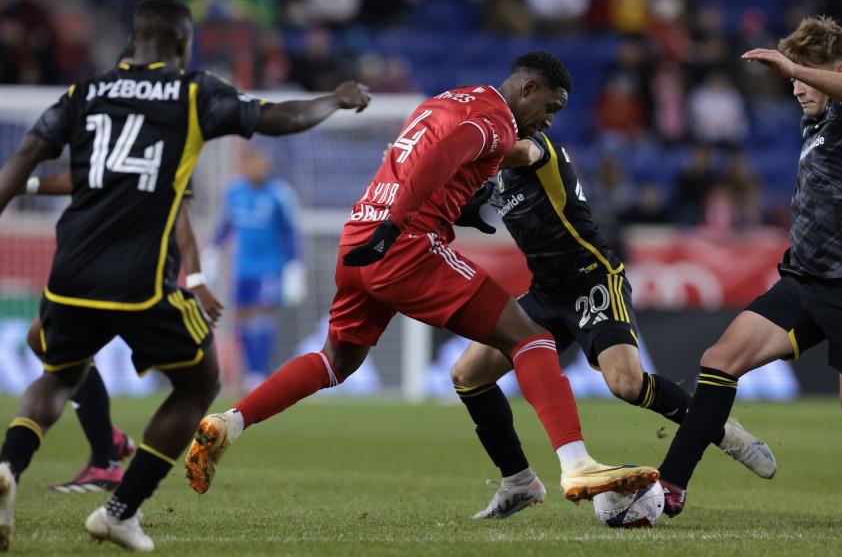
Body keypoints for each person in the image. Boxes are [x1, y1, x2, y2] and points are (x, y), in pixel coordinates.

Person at [186, 52, 659, 508]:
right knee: (531, 338)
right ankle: (576, 463)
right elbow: (445, 154)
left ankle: (231, 421)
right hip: (405, 244)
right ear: (528, 87)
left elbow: (407, 153)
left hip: (358, 240)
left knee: (336, 361)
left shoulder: (448, 100)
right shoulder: (494, 120)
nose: (549, 120)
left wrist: (457, 205)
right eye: (550, 107)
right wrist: (400, 222)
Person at [0, 0, 371, 552]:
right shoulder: (193, 91)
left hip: (70, 272)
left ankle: (8, 464)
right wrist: (335, 99)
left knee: (57, 376)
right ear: (181, 42)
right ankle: (121, 510)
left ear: (131, 41)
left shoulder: (84, 93)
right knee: (200, 384)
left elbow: (24, 159)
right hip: (141, 281)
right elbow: (275, 118)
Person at [656, 16, 842, 526]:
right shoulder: (813, 125)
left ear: (832, 71)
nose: (795, 87)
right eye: (792, 79)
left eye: (805, 76)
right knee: (719, 360)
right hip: (803, 282)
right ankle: (670, 485)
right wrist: (799, 71)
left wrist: (795, 65)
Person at [450, 131, 776, 519]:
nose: (552, 115)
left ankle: (720, 430)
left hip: (592, 280)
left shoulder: (538, 148)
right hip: (546, 293)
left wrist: (446, 152)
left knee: (627, 384)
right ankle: (517, 481)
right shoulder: (495, 173)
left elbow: (514, 150)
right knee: (467, 374)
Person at [17, 170, 220, 493]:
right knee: (39, 337)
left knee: (198, 383)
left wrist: (195, 279)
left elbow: (182, 218)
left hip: (142, 282)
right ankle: (106, 448)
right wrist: (24, 183)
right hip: (97, 268)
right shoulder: (117, 133)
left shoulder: (176, 140)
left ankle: (110, 468)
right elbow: (82, 174)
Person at [211, 146, 304, 391]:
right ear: (245, 164)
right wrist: (211, 254)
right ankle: (249, 371)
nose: (258, 167)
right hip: (242, 268)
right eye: (253, 162)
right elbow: (225, 227)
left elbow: (291, 232)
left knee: (262, 318)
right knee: (241, 318)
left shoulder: (280, 194)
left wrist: (294, 268)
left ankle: (259, 372)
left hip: (269, 268)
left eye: (262, 162)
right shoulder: (233, 192)